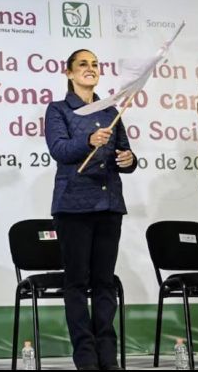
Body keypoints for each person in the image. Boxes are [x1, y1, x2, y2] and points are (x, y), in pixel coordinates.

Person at [44, 49, 136, 371]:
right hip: (73, 206)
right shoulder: (58, 110)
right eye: (83, 64)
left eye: (95, 64)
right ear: (68, 72)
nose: (90, 69)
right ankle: (85, 357)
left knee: (104, 282)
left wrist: (129, 160)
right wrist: (89, 141)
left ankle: (107, 356)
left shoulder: (111, 110)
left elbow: (123, 152)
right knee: (76, 282)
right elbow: (59, 150)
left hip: (108, 204)